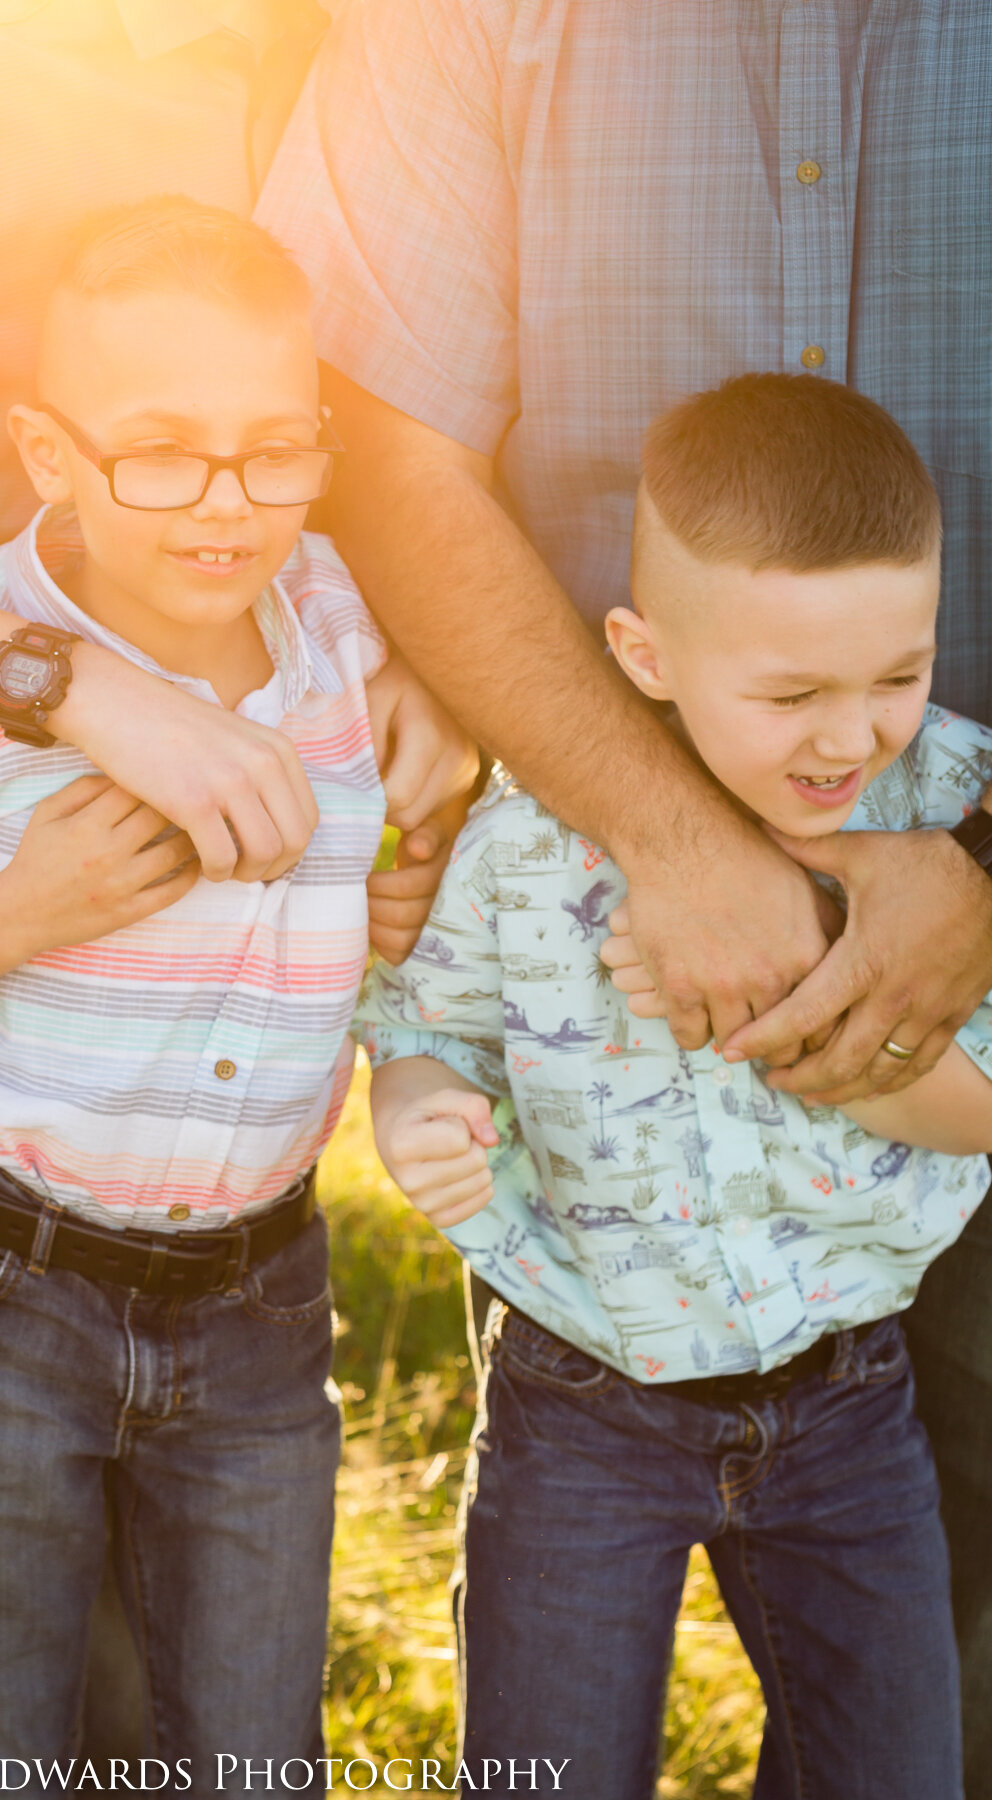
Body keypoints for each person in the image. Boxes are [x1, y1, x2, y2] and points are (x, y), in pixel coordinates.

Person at [255, 2, 992, 1775]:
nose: (841, 733)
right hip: (595, 1359)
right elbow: (376, 436)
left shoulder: (939, 763)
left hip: (859, 1360)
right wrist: (665, 842)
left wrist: (971, 879)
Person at [0, 1, 472, 1765]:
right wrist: (72, 751)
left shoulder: (358, 59)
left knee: (223, 1722)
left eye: (269, 452)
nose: (228, 493)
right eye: (166, 449)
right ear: (56, 453)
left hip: (249, 1295)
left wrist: (407, 675)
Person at [361, 373, 991, 1796]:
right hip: (583, 1399)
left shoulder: (952, 820)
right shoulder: (528, 847)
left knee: (893, 1772)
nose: (850, 738)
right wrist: (416, 1112)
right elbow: (422, 1022)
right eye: (791, 695)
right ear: (644, 656)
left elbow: (982, 1103)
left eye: (898, 674)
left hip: (849, 1406)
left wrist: (788, 1009)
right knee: (548, 1766)